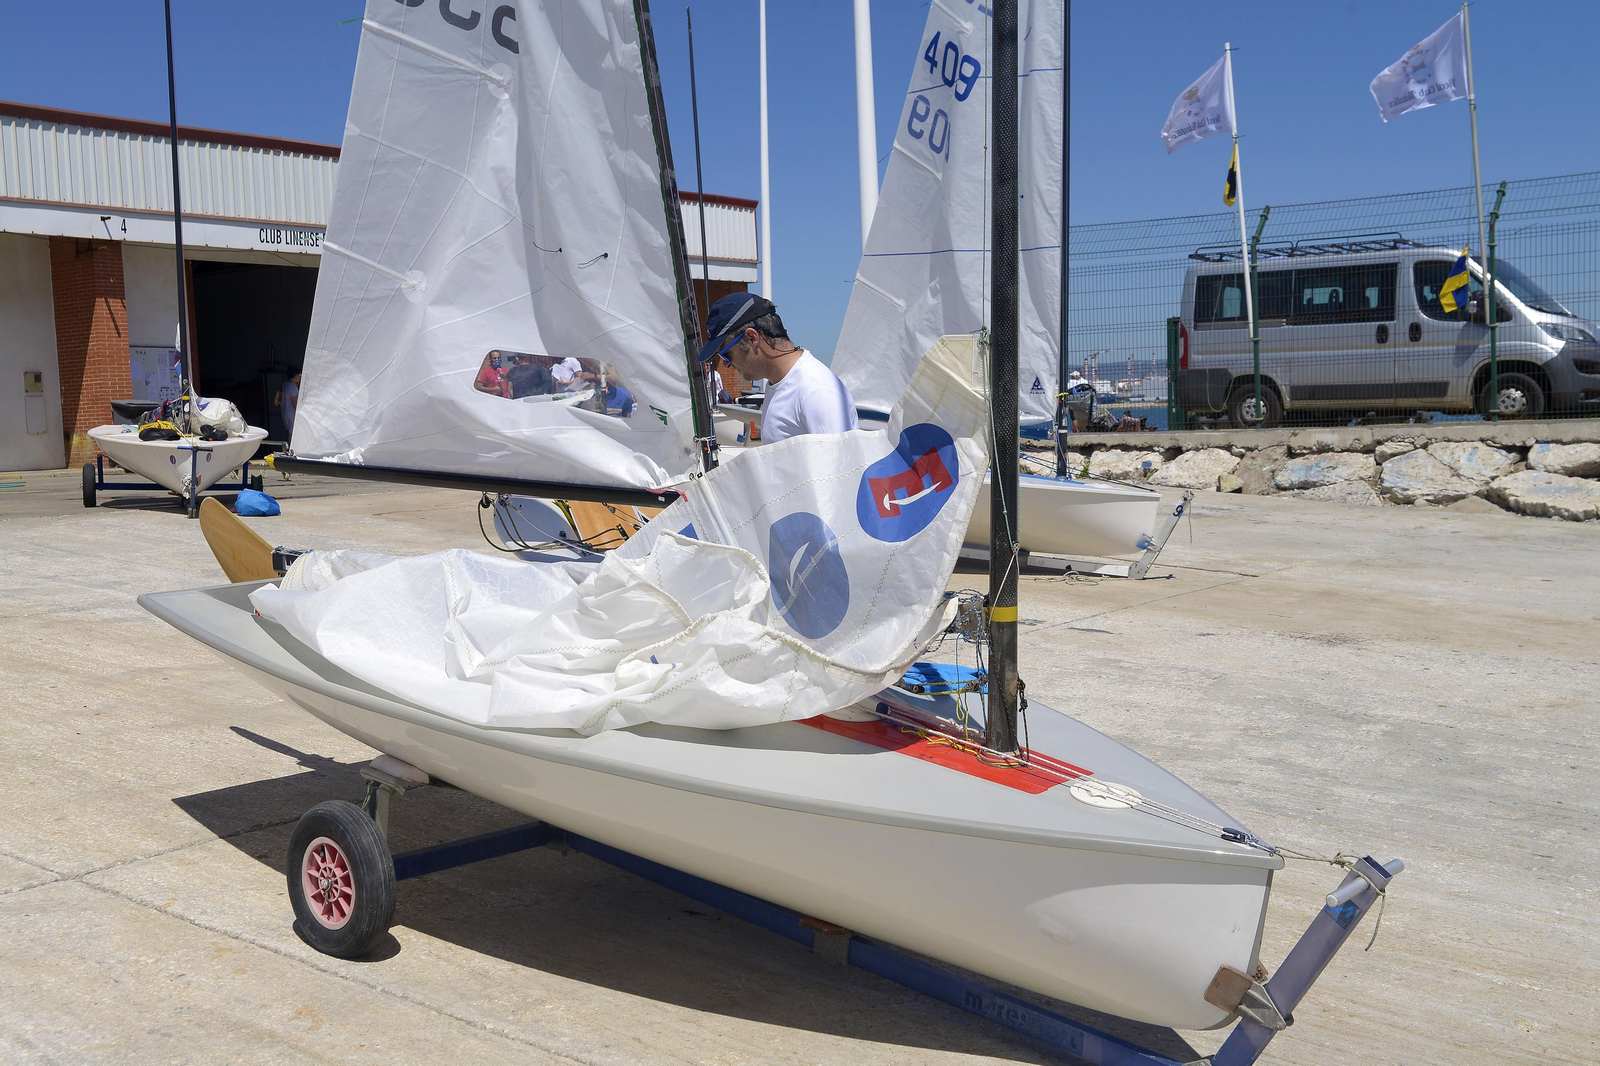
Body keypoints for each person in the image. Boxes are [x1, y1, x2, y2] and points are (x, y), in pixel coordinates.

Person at [698, 293, 856, 444]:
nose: (725, 364)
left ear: (752, 338)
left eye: (726, 354)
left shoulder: (816, 391)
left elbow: (842, 469)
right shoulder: (777, 385)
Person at [274, 371, 302, 437]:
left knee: (290, 431)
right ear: (295, 375)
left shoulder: (285, 384)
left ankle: (289, 446)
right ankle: (291, 447)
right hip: (291, 412)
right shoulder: (293, 387)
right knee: (292, 433)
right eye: (299, 375)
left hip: (285, 411)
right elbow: (294, 403)